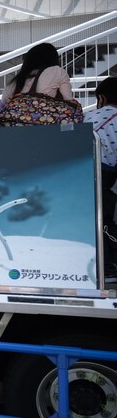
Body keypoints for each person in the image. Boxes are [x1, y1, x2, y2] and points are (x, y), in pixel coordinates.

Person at [85, 77, 117, 281]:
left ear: (101, 98)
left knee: (96, 220)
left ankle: (105, 267)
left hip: (92, 174)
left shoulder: (89, 117)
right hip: (113, 179)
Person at [1, 42, 74, 103]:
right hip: (47, 118)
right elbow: (68, 100)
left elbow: (3, 105)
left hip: (16, 119)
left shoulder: (15, 82)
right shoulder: (57, 71)